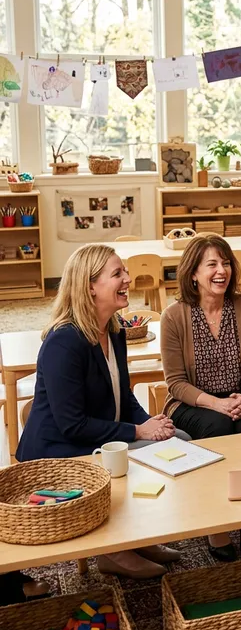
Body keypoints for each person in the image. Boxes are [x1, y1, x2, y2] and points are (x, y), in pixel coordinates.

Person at [15, 244, 185, 579]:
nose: (128, 279)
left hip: (97, 438)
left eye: (125, 271)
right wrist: (139, 432)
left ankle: (133, 537)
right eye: (117, 273)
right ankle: (114, 551)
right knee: (164, 447)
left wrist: (149, 422)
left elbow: (122, 396)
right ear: (90, 285)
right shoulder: (64, 341)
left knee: (179, 438)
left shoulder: (114, 330)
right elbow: (72, 425)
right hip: (59, 452)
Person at [161, 234, 241, 563]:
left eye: (225, 263)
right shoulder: (174, 316)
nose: (221, 270)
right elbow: (175, 383)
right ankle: (217, 522)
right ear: (193, 273)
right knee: (219, 426)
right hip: (194, 404)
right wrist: (217, 402)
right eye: (211, 264)